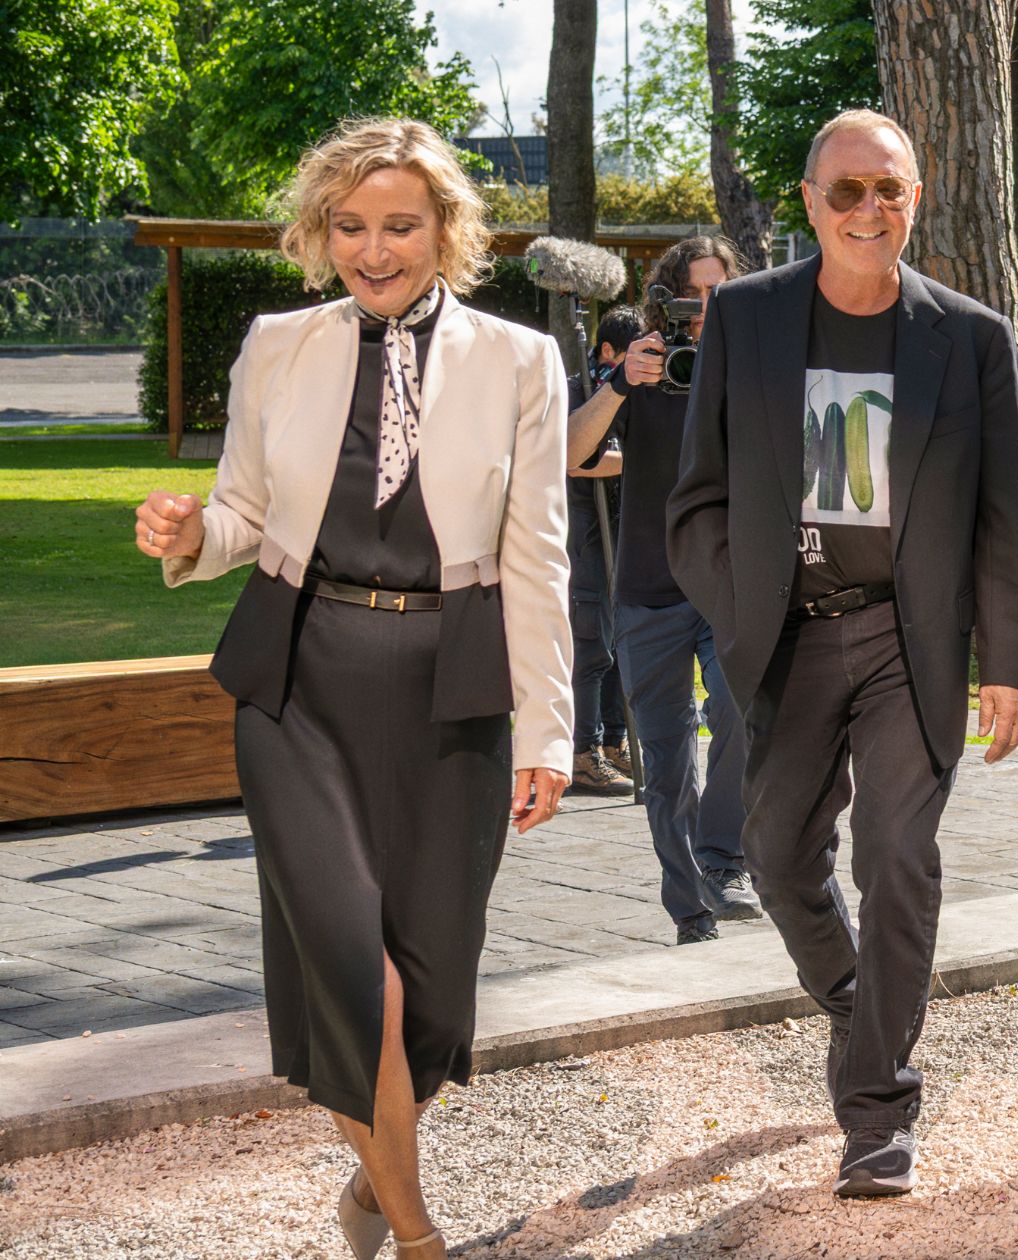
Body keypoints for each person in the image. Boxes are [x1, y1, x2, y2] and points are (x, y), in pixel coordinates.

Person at [132, 116, 571, 1259]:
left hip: (452, 688)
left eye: (400, 227)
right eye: (352, 226)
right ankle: (418, 1233)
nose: (375, 251)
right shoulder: (277, 342)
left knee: (427, 998)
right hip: (300, 682)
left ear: (446, 232)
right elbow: (241, 514)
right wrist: (190, 531)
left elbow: (537, 555)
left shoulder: (521, 361)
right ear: (322, 233)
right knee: (346, 967)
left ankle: (371, 1189)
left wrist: (551, 733)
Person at [667, 108, 1018, 1196]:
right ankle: (855, 1012)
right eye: (848, 192)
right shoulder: (743, 318)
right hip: (785, 637)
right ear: (810, 204)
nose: (871, 210)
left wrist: (1006, 663)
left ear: (914, 199)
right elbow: (697, 502)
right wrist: (741, 606)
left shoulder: (972, 338)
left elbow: (1001, 517)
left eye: (891, 191)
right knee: (777, 860)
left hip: (905, 636)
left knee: (895, 853)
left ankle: (877, 1109)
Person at [566, 241, 765, 945]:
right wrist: (622, 382)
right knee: (666, 761)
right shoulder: (644, 368)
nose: (707, 310)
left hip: (728, 583)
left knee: (742, 712)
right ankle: (690, 909)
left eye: (720, 294)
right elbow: (571, 452)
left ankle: (722, 860)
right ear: (668, 300)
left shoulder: (755, 362)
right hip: (647, 589)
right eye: (694, 297)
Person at [566, 308, 636, 796]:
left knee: (618, 646)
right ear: (607, 351)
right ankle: (581, 752)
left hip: (619, 527)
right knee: (590, 646)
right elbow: (575, 458)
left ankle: (614, 742)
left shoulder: (635, 389)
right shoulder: (573, 389)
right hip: (580, 530)